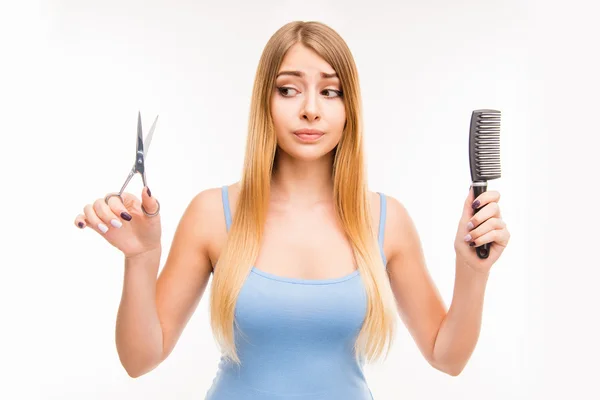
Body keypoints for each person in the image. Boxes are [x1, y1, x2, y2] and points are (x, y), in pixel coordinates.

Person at [74, 20, 510, 400]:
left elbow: (447, 357)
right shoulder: (212, 214)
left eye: (330, 91)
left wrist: (473, 271)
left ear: (348, 108)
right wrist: (141, 258)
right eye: (288, 89)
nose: (310, 110)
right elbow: (139, 360)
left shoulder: (386, 221)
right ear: (266, 101)